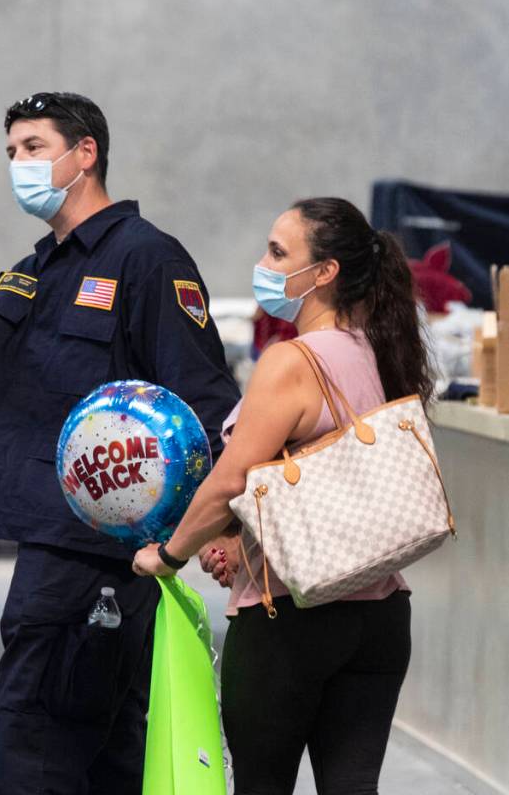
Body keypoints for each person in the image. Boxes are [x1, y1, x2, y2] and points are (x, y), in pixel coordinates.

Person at [0, 91, 239, 794]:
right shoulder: (39, 266)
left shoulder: (147, 260)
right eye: (11, 152)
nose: (18, 164)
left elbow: (204, 402)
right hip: (50, 539)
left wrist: (210, 529)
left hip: (101, 550)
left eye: (34, 148)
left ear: (85, 154)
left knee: (34, 734)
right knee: (96, 745)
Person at [133, 197, 430, 795]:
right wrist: (240, 544)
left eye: (277, 253)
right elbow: (328, 481)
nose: (262, 264)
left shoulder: (292, 361)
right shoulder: (385, 349)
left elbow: (233, 480)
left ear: (324, 274)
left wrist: (169, 553)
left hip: (289, 618)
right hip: (381, 615)